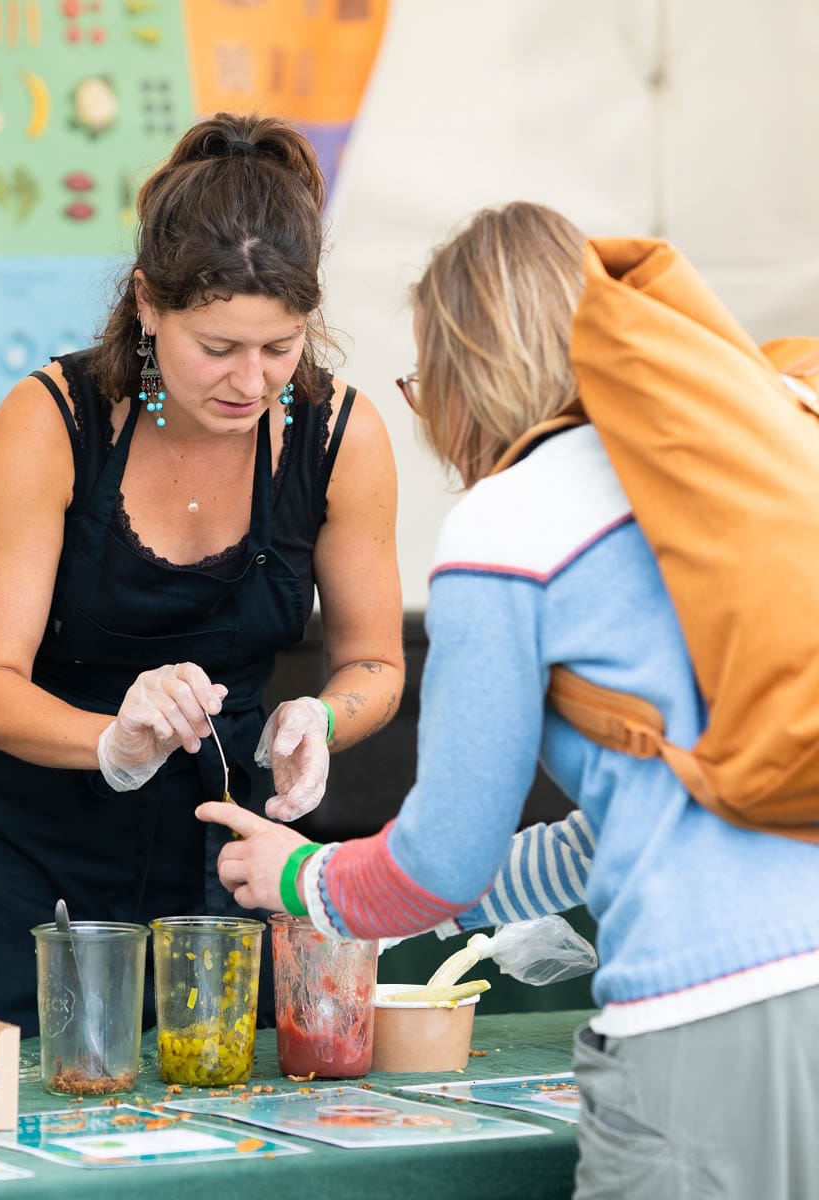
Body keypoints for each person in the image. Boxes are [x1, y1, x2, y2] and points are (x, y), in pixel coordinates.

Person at [199, 201, 819, 1198]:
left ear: (461, 379)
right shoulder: (716, 481)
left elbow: (447, 854)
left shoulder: (511, 522)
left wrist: (305, 876)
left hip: (707, 1017)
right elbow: (626, 827)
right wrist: (397, 907)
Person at [0, 113, 404, 1039]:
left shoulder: (341, 437)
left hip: (214, 851)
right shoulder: (52, 421)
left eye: (280, 347)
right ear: (149, 304)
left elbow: (376, 662)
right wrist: (112, 743)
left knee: (212, 1110)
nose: (252, 382)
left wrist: (321, 720)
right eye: (218, 348)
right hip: (16, 848)